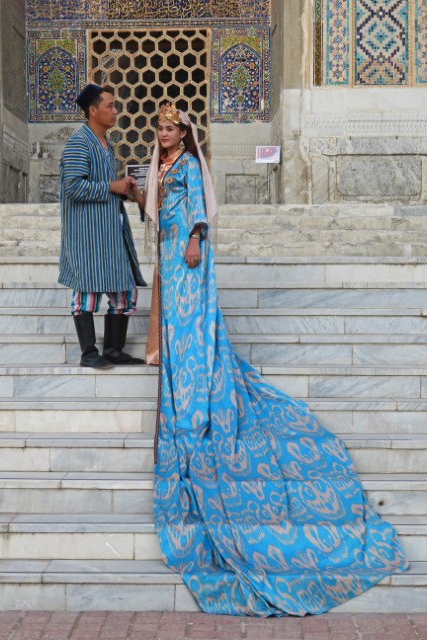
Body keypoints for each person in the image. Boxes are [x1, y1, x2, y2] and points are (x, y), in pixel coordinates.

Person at [134, 102, 409, 617]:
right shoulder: (162, 162)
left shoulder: (190, 165)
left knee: (192, 317)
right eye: (161, 128)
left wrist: (195, 237)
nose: (165, 134)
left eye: (171, 128)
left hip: (188, 251)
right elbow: (154, 204)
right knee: (177, 318)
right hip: (168, 251)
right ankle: (182, 363)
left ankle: (198, 372)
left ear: (184, 133)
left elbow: (197, 205)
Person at [58, 84, 146, 368]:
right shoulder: (78, 143)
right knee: (87, 293)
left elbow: (103, 188)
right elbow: (72, 186)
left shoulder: (108, 147)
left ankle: (113, 350)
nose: (115, 111)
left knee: (125, 292)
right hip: (87, 235)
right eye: (110, 105)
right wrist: (111, 185)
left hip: (111, 234)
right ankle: (88, 353)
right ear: (93, 110)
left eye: (115, 105)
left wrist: (124, 189)